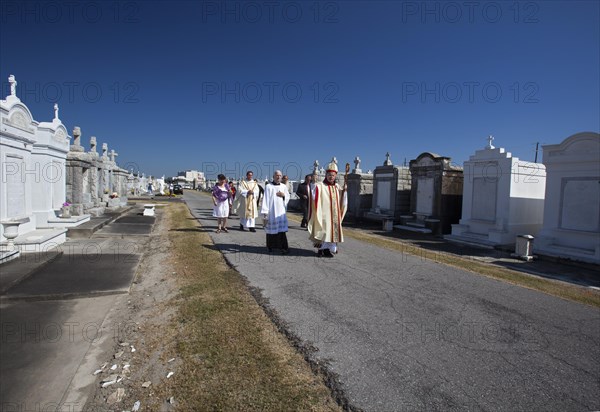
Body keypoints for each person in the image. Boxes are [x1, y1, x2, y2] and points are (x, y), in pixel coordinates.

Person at [308, 161, 347, 258]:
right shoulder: (320, 185)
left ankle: (328, 250)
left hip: (334, 215)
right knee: (323, 232)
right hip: (324, 214)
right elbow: (314, 195)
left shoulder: (337, 187)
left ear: (335, 176)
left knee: (332, 232)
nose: (331, 177)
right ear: (326, 175)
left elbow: (342, 199)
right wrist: (314, 185)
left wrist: (344, 191)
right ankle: (321, 250)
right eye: (329, 175)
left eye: (333, 175)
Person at [260, 170, 290, 254]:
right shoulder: (269, 186)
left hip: (280, 213)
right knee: (270, 231)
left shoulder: (284, 186)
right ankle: (270, 247)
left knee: (281, 231)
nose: (278, 177)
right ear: (273, 176)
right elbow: (265, 199)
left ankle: (284, 247)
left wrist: (283, 195)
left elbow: (287, 197)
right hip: (272, 212)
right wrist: (265, 212)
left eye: (280, 175)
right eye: (277, 175)